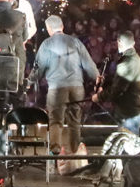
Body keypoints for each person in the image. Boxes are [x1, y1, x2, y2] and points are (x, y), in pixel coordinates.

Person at [28, 15, 97, 170]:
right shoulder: (75, 42)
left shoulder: (46, 44)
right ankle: (73, 155)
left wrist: (30, 81)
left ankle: (55, 154)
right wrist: (98, 78)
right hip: (76, 87)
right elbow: (88, 64)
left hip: (57, 88)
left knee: (56, 121)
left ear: (49, 29)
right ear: (62, 26)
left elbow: (39, 68)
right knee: (74, 121)